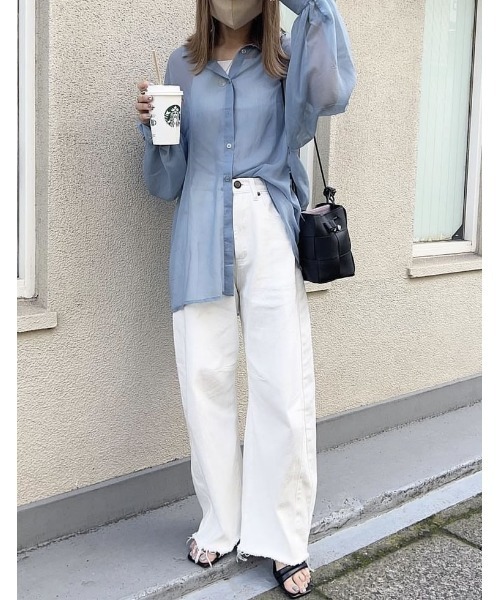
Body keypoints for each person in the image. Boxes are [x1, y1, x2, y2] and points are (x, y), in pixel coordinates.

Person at [135, 0, 355, 596]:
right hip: (200, 228)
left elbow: (333, 93)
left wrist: (311, 5)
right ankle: (220, 522)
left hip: (268, 225)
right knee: (203, 377)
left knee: (281, 383)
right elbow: (167, 183)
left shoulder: (287, 60)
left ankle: (283, 538)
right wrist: (155, 129)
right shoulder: (182, 66)